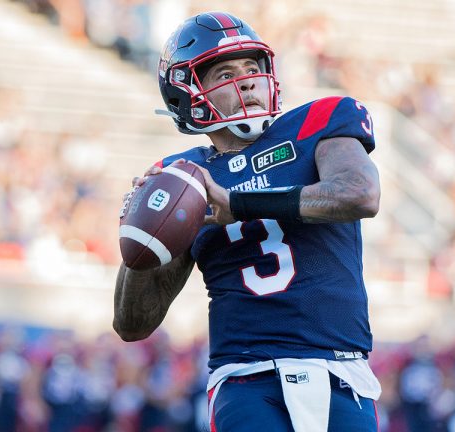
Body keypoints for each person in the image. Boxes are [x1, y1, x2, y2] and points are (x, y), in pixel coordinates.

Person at [113, 11, 382, 432]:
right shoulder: (184, 177)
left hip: (341, 370)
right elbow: (133, 323)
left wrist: (235, 204)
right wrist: (143, 233)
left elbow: (359, 193)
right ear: (188, 93)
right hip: (245, 376)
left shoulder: (318, 123)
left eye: (252, 68)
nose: (247, 81)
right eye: (225, 72)